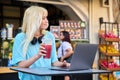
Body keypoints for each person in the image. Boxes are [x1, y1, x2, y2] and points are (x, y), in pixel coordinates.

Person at [12, 6, 69, 80]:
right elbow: (20, 65)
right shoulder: (20, 38)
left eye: (46, 18)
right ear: (33, 20)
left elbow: (54, 62)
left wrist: (63, 64)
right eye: (43, 18)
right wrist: (37, 56)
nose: (46, 21)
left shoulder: (49, 36)